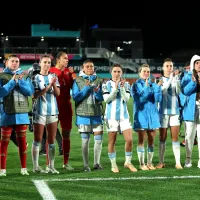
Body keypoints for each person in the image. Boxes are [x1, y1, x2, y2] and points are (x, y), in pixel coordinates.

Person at [0, 54, 34, 176]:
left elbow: (30, 92)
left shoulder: (24, 76)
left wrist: (19, 82)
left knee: (22, 142)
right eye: (12, 61)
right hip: (6, 113)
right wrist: (12, 81)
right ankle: (2, 169)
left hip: (22, 113)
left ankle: (24, 168)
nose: (15, 63)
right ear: (6, 63)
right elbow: (1, 92)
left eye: (17, 61)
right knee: (4, 142)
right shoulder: (1, 76)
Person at [102, 63, 137, 173]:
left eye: (119, 72)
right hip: (111, 117)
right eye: (115, 71)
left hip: (124, 116)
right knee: (112, 141)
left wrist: (121, 88)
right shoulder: (106, 84)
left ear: (121, 73)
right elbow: (107, 100)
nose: (117, 73)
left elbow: (126, 99)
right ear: (111, 72)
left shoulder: (126, 84)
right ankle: (113, 164)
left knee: (130, 139)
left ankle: (128, 162)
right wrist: (115, 88)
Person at [72, 59, 104, 172]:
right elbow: (75, 97)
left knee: (99, 139)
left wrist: (97, 92)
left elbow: (102, 98)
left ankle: (96, 163)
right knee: (85, 140)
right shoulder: (77, 81)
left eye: (91, 66)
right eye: (88, 66)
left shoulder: (99, 80)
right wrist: (86, 89)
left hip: (96, 114)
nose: (90, 68)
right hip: (83, 114)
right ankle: (86, 165)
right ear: (83, 68)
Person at [31, 55, 60, 174]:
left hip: (52, 111)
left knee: (52, 140)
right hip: (39, 111)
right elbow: (35, 95)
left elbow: (57, 93)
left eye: (49, 62)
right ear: (40, 63)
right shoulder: (35, 78)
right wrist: (48, 86)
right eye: (45, 62)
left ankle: (51, 166)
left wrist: (53, 84)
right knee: (37, 139)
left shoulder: (54, 77)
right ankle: (36, 166)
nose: (47, 64)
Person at [131, 64, 162, 170]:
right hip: (141, 116)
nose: (146, 73)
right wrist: (146, 87)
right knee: (141, 140)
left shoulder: (153, 85)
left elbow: (158, 99)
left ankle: (149, 163)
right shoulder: (135, 85)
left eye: (148, 72)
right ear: (140, 73)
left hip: (153, 116)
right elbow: (139, 100)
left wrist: (158, 88)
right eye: (144, 71)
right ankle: (141, 164)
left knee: (151, 141)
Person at [49, 51, 76, 170]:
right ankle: (49, 164)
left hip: (66, 106)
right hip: (53, 106)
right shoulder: (51, 71)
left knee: (66, 134)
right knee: (50, 135)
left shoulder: (68, 72)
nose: (67, 60)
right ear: (58, 60)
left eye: (67, 58)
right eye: (65, 58)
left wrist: (73, 76)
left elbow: (73, 86)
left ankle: (66, 162)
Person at [156, 58, 183, 169]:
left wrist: (175, 80)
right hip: (163, 112)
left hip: (174, 111)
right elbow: (162, 91)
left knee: (175, 138)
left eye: (171, 66)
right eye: (167, 66)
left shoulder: (176, 79)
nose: (169, 68)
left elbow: (178, 92)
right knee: (162, 137)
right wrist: (171, 79)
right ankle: (161, 162)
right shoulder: (159, 79)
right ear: (163, 68)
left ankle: (178, 162)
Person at [181, 54, 200, 168]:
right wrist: (194, 82)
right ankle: (188, 160)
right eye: (197, 63)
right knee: (189, 136)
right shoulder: (187, 76)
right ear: (193, 64)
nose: (199, 65)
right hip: (190, 109)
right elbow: (185, 92)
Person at [179, 61, 197, 146]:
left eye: (189, 68)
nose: (188, 69)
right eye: (187, 68)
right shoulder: (184, 76)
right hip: (185, 103)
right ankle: (188, 139)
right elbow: (183, 91)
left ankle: (193, 139)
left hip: (190, 103)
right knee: (187, 125)